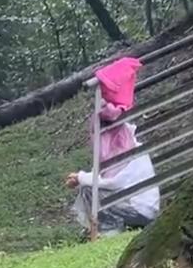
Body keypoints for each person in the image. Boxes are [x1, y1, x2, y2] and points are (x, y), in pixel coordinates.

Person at [66, 57, 160, 235]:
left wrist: (81, 178)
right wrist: (80, 179)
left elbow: (114, 183)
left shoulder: (128, 151)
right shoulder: (120, 150)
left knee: (89, 190)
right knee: (87, 187)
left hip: (140, 210)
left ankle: (108, 232)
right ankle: (101, 229)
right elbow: (103, 176)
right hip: (131, 205)